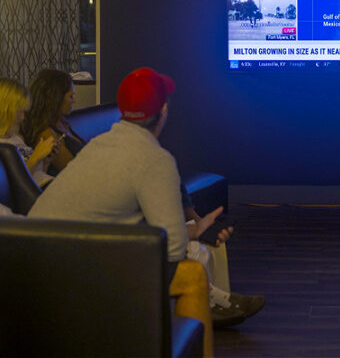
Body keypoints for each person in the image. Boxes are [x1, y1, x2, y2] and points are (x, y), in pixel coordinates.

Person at [23, 69, 264, 327]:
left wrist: (194, 229)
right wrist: (191, 231)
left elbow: (118, 220)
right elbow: (171, 252)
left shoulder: (98, 146)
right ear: (162, 112)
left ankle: (217, 304)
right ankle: (212, 308)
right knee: (190, 274)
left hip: (34, 265)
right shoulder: (154, 160)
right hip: (71, 273)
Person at [0, 77, 57, 188]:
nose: (22, 117)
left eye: (23, 111)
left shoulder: (17, 137)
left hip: (44, 189)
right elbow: (9, 186)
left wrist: (45, 161)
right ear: (0, 110)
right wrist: (36, 156)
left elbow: (37, 177)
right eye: (18, 111)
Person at [22, 69, 84, 174]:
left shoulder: (61, 122)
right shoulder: (46, 135)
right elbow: (73, 171)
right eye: (70, 96)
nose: (74, 101)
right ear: (55, 98)